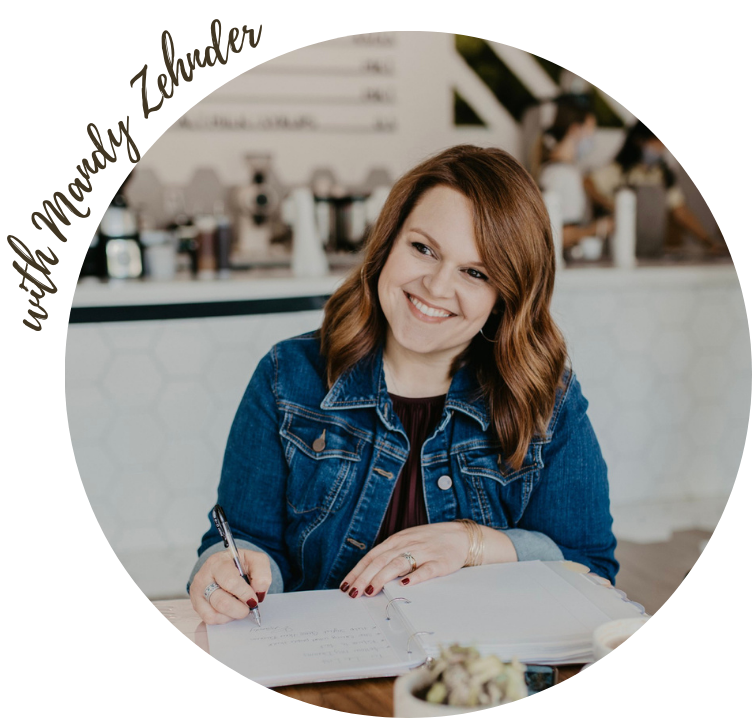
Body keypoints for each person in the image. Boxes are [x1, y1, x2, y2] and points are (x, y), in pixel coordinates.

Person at [188, 144, 619, 625]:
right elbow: (243, 543)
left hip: (480, 663)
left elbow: (589, 569)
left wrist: (471, 543)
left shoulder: (547, 399)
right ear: (388, 242)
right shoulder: (286, 376)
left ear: (506, 297)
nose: (436, 286)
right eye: (423, 249)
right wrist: (223, 571)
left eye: (475, 272)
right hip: (323, 657)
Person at [586, 120, 726, 255]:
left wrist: (708, 241)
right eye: (655, 142)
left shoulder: (663, 175)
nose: (660, 147)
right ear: (639, 141)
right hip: (619, 251)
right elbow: (587, 183)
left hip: (653, 251)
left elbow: (680, 212)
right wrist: (610, 204)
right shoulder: (618, 171)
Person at [536, 95, 613, 251]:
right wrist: (598, 228)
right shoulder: (564, 175)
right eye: (591, 129)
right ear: (575, 129)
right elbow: (560, 235)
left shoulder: (550, 169)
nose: (592, 137)